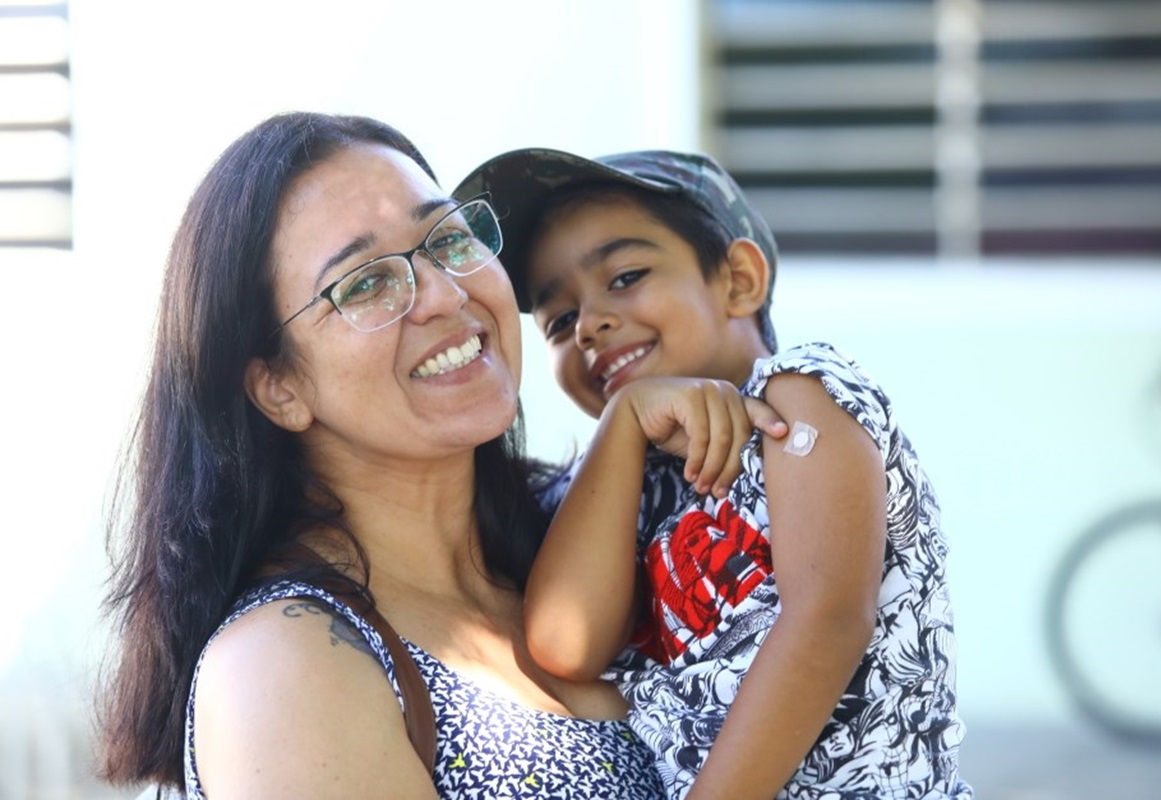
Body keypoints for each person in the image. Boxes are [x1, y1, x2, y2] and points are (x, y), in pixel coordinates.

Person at [95, 113, 781, 799]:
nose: (448, 295)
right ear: (279, 387)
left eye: (449, 239)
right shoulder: (283, 663)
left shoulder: (591, 538)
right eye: (364, 283)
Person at [454, 148, 973, 799]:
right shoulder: (613, 484)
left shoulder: (797, 397)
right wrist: (623, 422)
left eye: (625, 276)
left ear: (737, 281)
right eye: (558, 320)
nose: (589, 325)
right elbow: (565, 646)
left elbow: (827, 622)